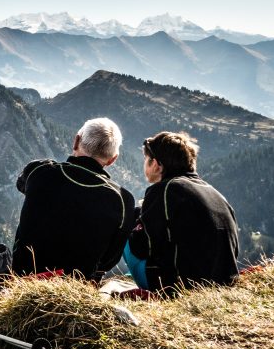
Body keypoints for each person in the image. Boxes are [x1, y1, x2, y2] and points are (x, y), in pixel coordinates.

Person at [12, 117, 136, 281]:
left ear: (76, 141)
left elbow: (22, 185)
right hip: (77, 287)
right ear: (113, 159)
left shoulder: (39, 171)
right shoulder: (123, 200)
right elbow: (109, 260)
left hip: (22, 280)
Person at [125, 131, 239, 292]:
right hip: (222, 286)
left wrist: (138, 220)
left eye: (146, 159)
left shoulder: (165, 190)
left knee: (126, 219)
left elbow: (140, 246)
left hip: (180, 288)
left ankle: (94, 277)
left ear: (156, 164)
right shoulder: (216, 194)